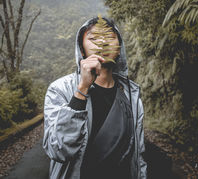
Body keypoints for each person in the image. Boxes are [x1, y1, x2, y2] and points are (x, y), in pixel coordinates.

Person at [43, 16, 147, 179]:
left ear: (119, 49)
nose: (102, 43)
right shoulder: (60, 89)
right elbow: (58, 151)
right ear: (82, 50)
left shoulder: (131, 94)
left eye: (110, 37)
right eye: (93, 38)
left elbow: (138, 154)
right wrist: (82, 88)